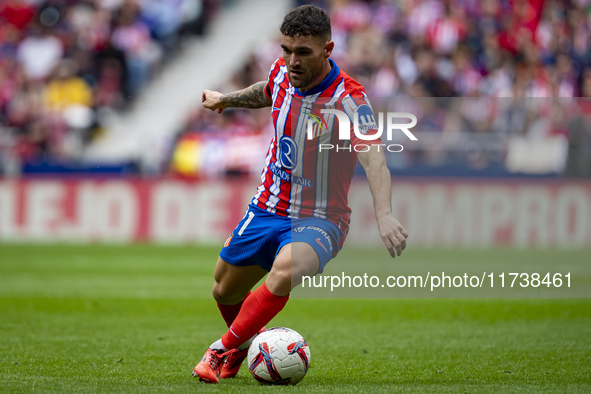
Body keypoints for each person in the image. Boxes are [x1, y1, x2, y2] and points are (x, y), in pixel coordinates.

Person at [193, 5, 408, 384]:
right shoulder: (281, 72)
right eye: (286, 50)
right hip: (267, 206)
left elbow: (374, 159)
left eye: (303, 53)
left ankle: (221, 349)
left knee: (285, 270)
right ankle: (246, 344)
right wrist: (227, 98)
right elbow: (267, 91)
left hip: (320, 218)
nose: (292, 60)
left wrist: (385, 213)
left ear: (328, 49)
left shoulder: (349, 100)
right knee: (223, 289)